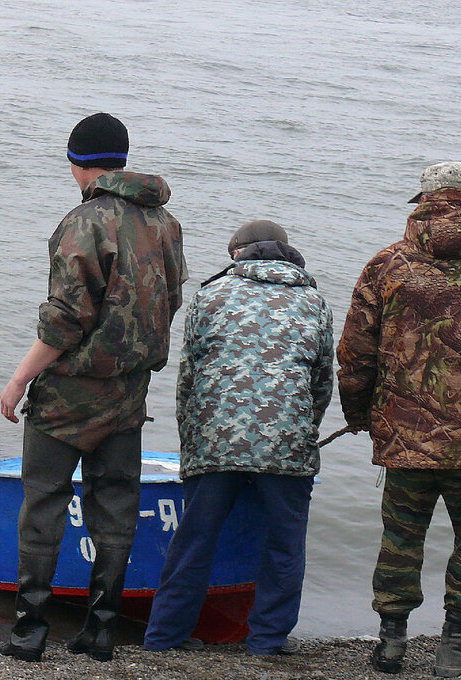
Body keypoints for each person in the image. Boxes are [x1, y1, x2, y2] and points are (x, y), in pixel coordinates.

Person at [337, 161, 461, 677]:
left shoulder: (387, 265)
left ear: (421, 200)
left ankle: (391, 643)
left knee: (402, 536)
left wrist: (362, 415)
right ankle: (457, 642)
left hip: (404, 433)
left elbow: (356, 353)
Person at [0, 112, 187, 663]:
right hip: (128, 393)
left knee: (44, 505)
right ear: (122, 161)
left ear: (78, 165)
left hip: (68, 397)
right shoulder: (165, 223)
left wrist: (18, 379)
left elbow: (64, 320)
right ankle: (101, 629)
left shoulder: (83, 222)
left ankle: (30, 630)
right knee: (115, 505)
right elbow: (170, 301)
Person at [143, 220, 333, 655]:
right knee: (285, 547)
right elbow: (321, 383)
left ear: (238, 254)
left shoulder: (210, 296)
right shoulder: (314, 302)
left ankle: (163, 637)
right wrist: (302, 432)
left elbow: (188, 379)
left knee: (193, 540)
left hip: (214, 440)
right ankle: (266, 642)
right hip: (286, 444)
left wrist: (193, 443)